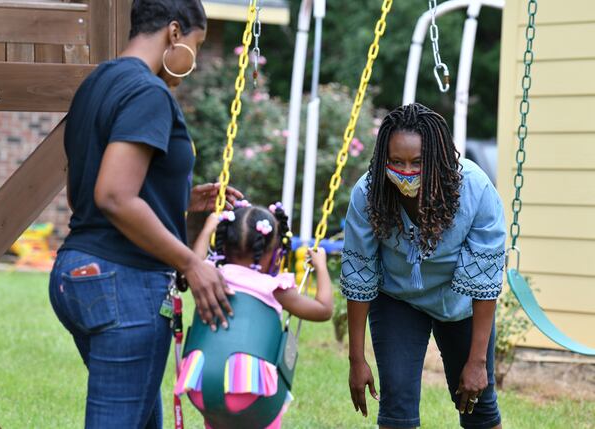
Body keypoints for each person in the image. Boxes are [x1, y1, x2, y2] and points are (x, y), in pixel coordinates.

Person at [48, 1, 242, 427]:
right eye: (197, 43)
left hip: (78, 272)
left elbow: (88, 185)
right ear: (175, 33)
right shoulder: (148, 92)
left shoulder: (97, 82)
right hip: (123, 282)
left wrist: (182, 199)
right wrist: (192, 262)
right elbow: (114, 196)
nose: (193, 56)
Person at [342, 103, 505, 429]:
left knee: (478, 409)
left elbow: (485, 277)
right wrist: (356, 359)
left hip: (459, 305)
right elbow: (359, 274)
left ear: (437, 160)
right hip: (397, 300)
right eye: (396, 162)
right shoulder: (369, 192)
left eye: (418, 162)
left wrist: (477, 362)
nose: (406, 171)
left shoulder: (475, 189)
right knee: (397, 410)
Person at [175, 202, 334, 428]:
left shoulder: (210, 274)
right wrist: (321, 267)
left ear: (223, 244)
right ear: (275, 252)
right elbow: (323, 310)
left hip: (199, 385)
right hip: (251, 392)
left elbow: (196, 260)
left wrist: (208, 228)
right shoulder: (273, 287)